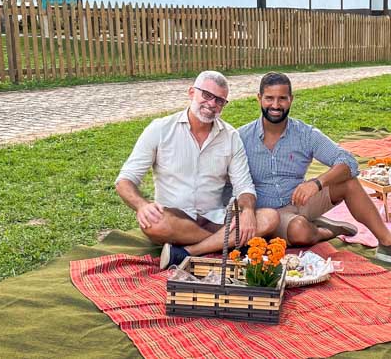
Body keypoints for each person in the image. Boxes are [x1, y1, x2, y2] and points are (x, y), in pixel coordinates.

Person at [238, 72, 391, 268]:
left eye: (282, 98)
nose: (276, 105)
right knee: (300, 231)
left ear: (291, 100)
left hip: (299, 200)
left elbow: (349, 162)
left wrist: (317, 183)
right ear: (259, 98)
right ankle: (327, 230)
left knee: (348, 181)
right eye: (269, 98)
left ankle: (389, 244)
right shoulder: (241, 137)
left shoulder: (305, 134)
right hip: (268, 214)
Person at [115, 70, 279, 269]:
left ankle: (187, 252)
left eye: (219, 100)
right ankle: (227, 243)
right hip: (174, 219)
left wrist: (248, 211)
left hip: (216, 217)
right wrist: (141, 205)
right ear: (192, 92)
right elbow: (125, 180)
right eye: (207, 95)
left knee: (270, 217)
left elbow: (244, 186)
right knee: (153, 224)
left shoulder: (231, 136)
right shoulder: (160, 129)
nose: (212, 104)